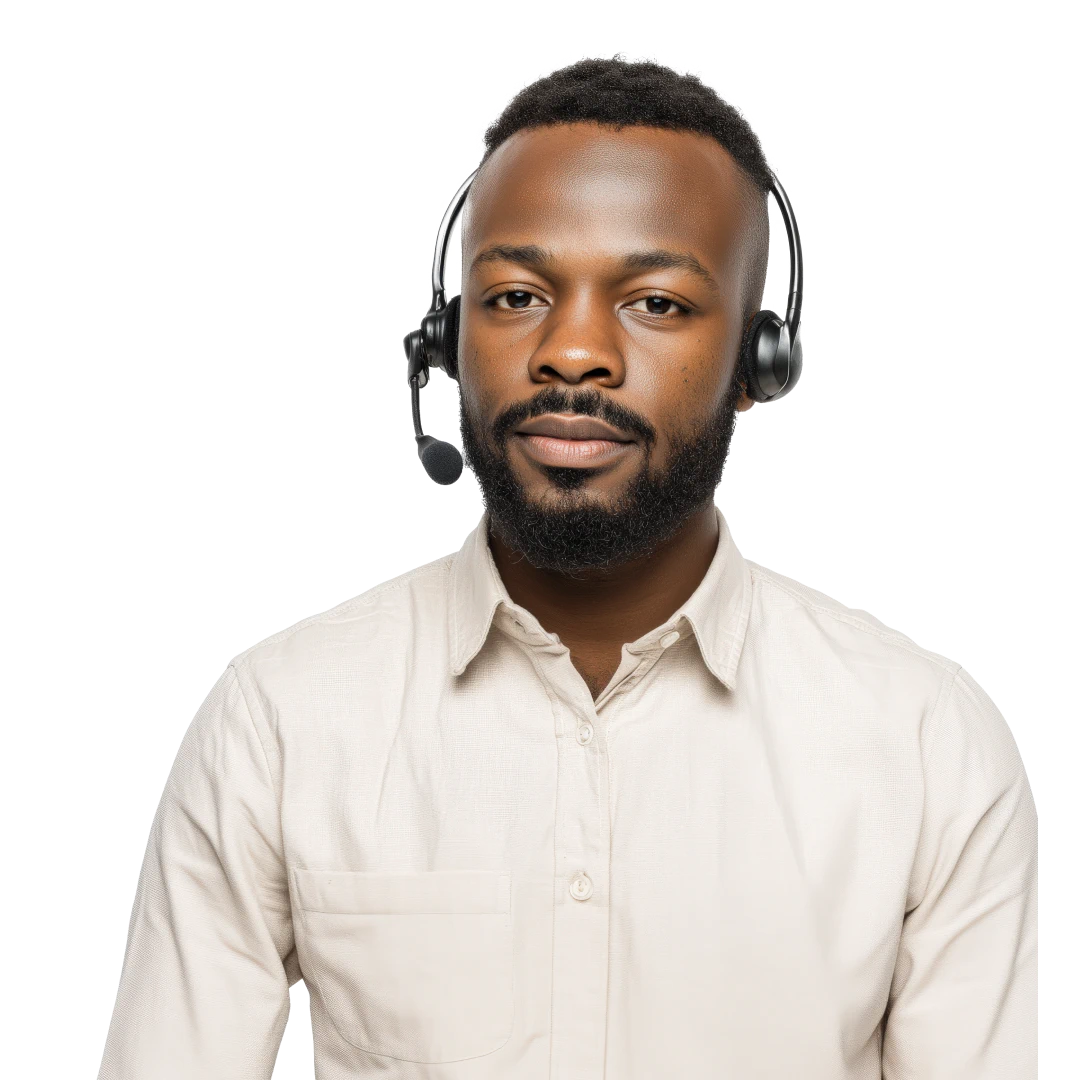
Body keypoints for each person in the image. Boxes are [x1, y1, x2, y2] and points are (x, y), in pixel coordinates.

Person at [99, 54, 1039, 1079]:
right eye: (514, 296)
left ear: (761, 363)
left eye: (657, 303)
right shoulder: (280, 718)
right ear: (444, 341)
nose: (573, 353)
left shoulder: (928, 743)